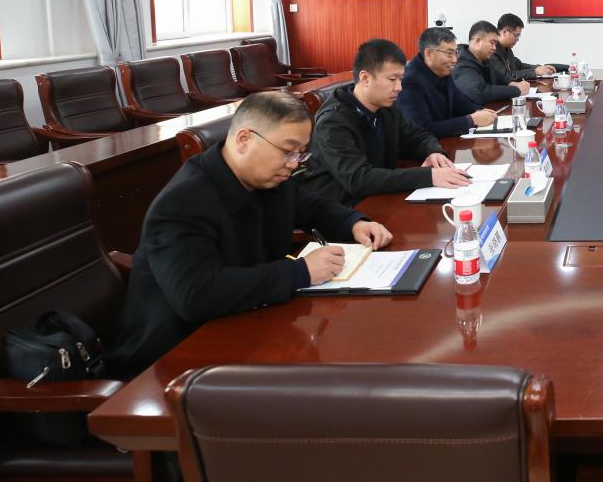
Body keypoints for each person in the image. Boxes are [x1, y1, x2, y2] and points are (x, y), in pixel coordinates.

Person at [106, 91, 394, 379]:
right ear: (244, 139)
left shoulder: (268, 178)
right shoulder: (182, 203)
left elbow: (312, 207)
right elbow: (196, 295)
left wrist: (353, 223)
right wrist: (301, 272)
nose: (294, 164)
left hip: (247, 324)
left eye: (301, 153)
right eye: (287, 151)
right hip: (174, 360)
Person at [299, 38, 470, 207]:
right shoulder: (332, 122)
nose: (399, 87)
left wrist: (433, 152)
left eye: (400, 79)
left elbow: (416, 135)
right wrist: (429, 176)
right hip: (342, 208)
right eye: (392, 79)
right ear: (365, 78)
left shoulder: (385, 107)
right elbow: (359, 179)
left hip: (379, 196)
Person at [398, 26, 499, 137]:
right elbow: (423, 129)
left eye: (456, 53)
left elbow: (460, 103)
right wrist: (471, 120)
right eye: (449, 54)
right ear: (429, 54)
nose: (454, 60)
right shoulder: (410, 81)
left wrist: (482, 111)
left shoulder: (442, 70)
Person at [453, 20, 529, 105]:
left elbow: (500, 76)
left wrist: (512, 82)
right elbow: (480, 92)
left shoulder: (484, 60)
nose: (494, 48)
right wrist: (517, 90)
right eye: (492, 43)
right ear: (478, 41)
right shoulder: (462, 65)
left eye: (495, 44)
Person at [490, 12, 557, 81]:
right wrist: (535, 72)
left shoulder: (506, 47)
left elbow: (519, 65)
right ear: (505, 31)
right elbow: (505, 75)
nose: (517, 39)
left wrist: (539, 68)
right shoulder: (492, 50)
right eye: (516, 35)